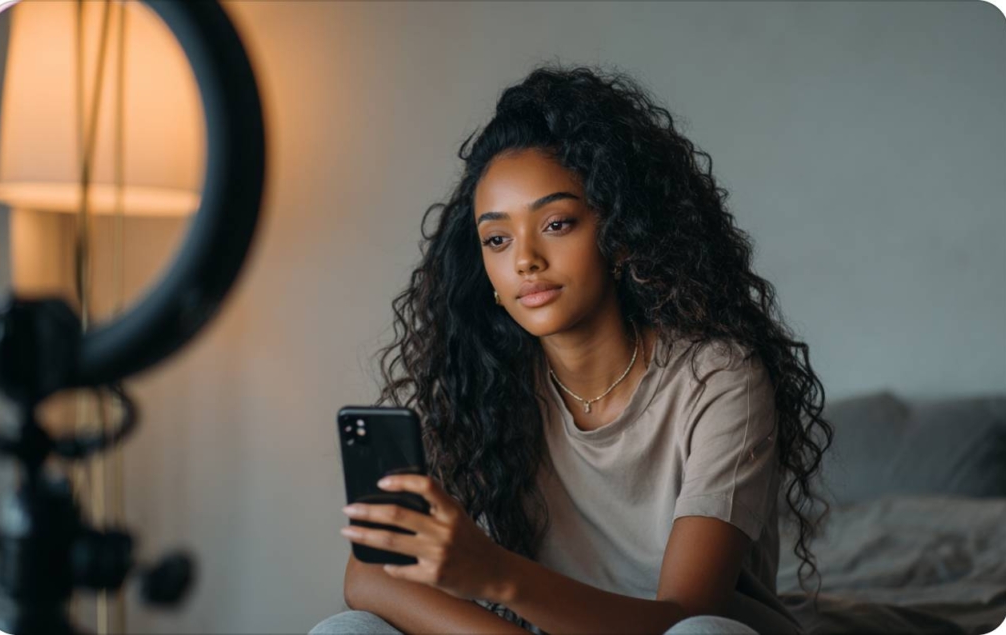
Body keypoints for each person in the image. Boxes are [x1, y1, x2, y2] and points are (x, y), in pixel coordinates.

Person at [311, 64, 834, 635]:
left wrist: (493, 575)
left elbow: (684, 614)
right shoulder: (484, 380)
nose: (525, 260)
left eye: (557, 223)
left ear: (619, 233)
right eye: (497, 239)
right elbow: (367, 577)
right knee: (349, 629)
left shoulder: (717, 378)